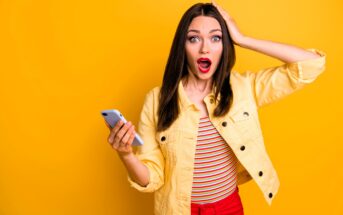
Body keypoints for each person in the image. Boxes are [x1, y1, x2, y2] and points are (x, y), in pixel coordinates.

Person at [105, 1, 326, 214]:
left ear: (225, 45)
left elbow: (310, 65)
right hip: (179, 210)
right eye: (193, 39)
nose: (204, 48)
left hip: (228, 207)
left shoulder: (243, 89)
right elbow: (151, 179)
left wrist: (242, 38)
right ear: (182, 46)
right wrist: (126, 155)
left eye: (216, 38)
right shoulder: (156, 100)